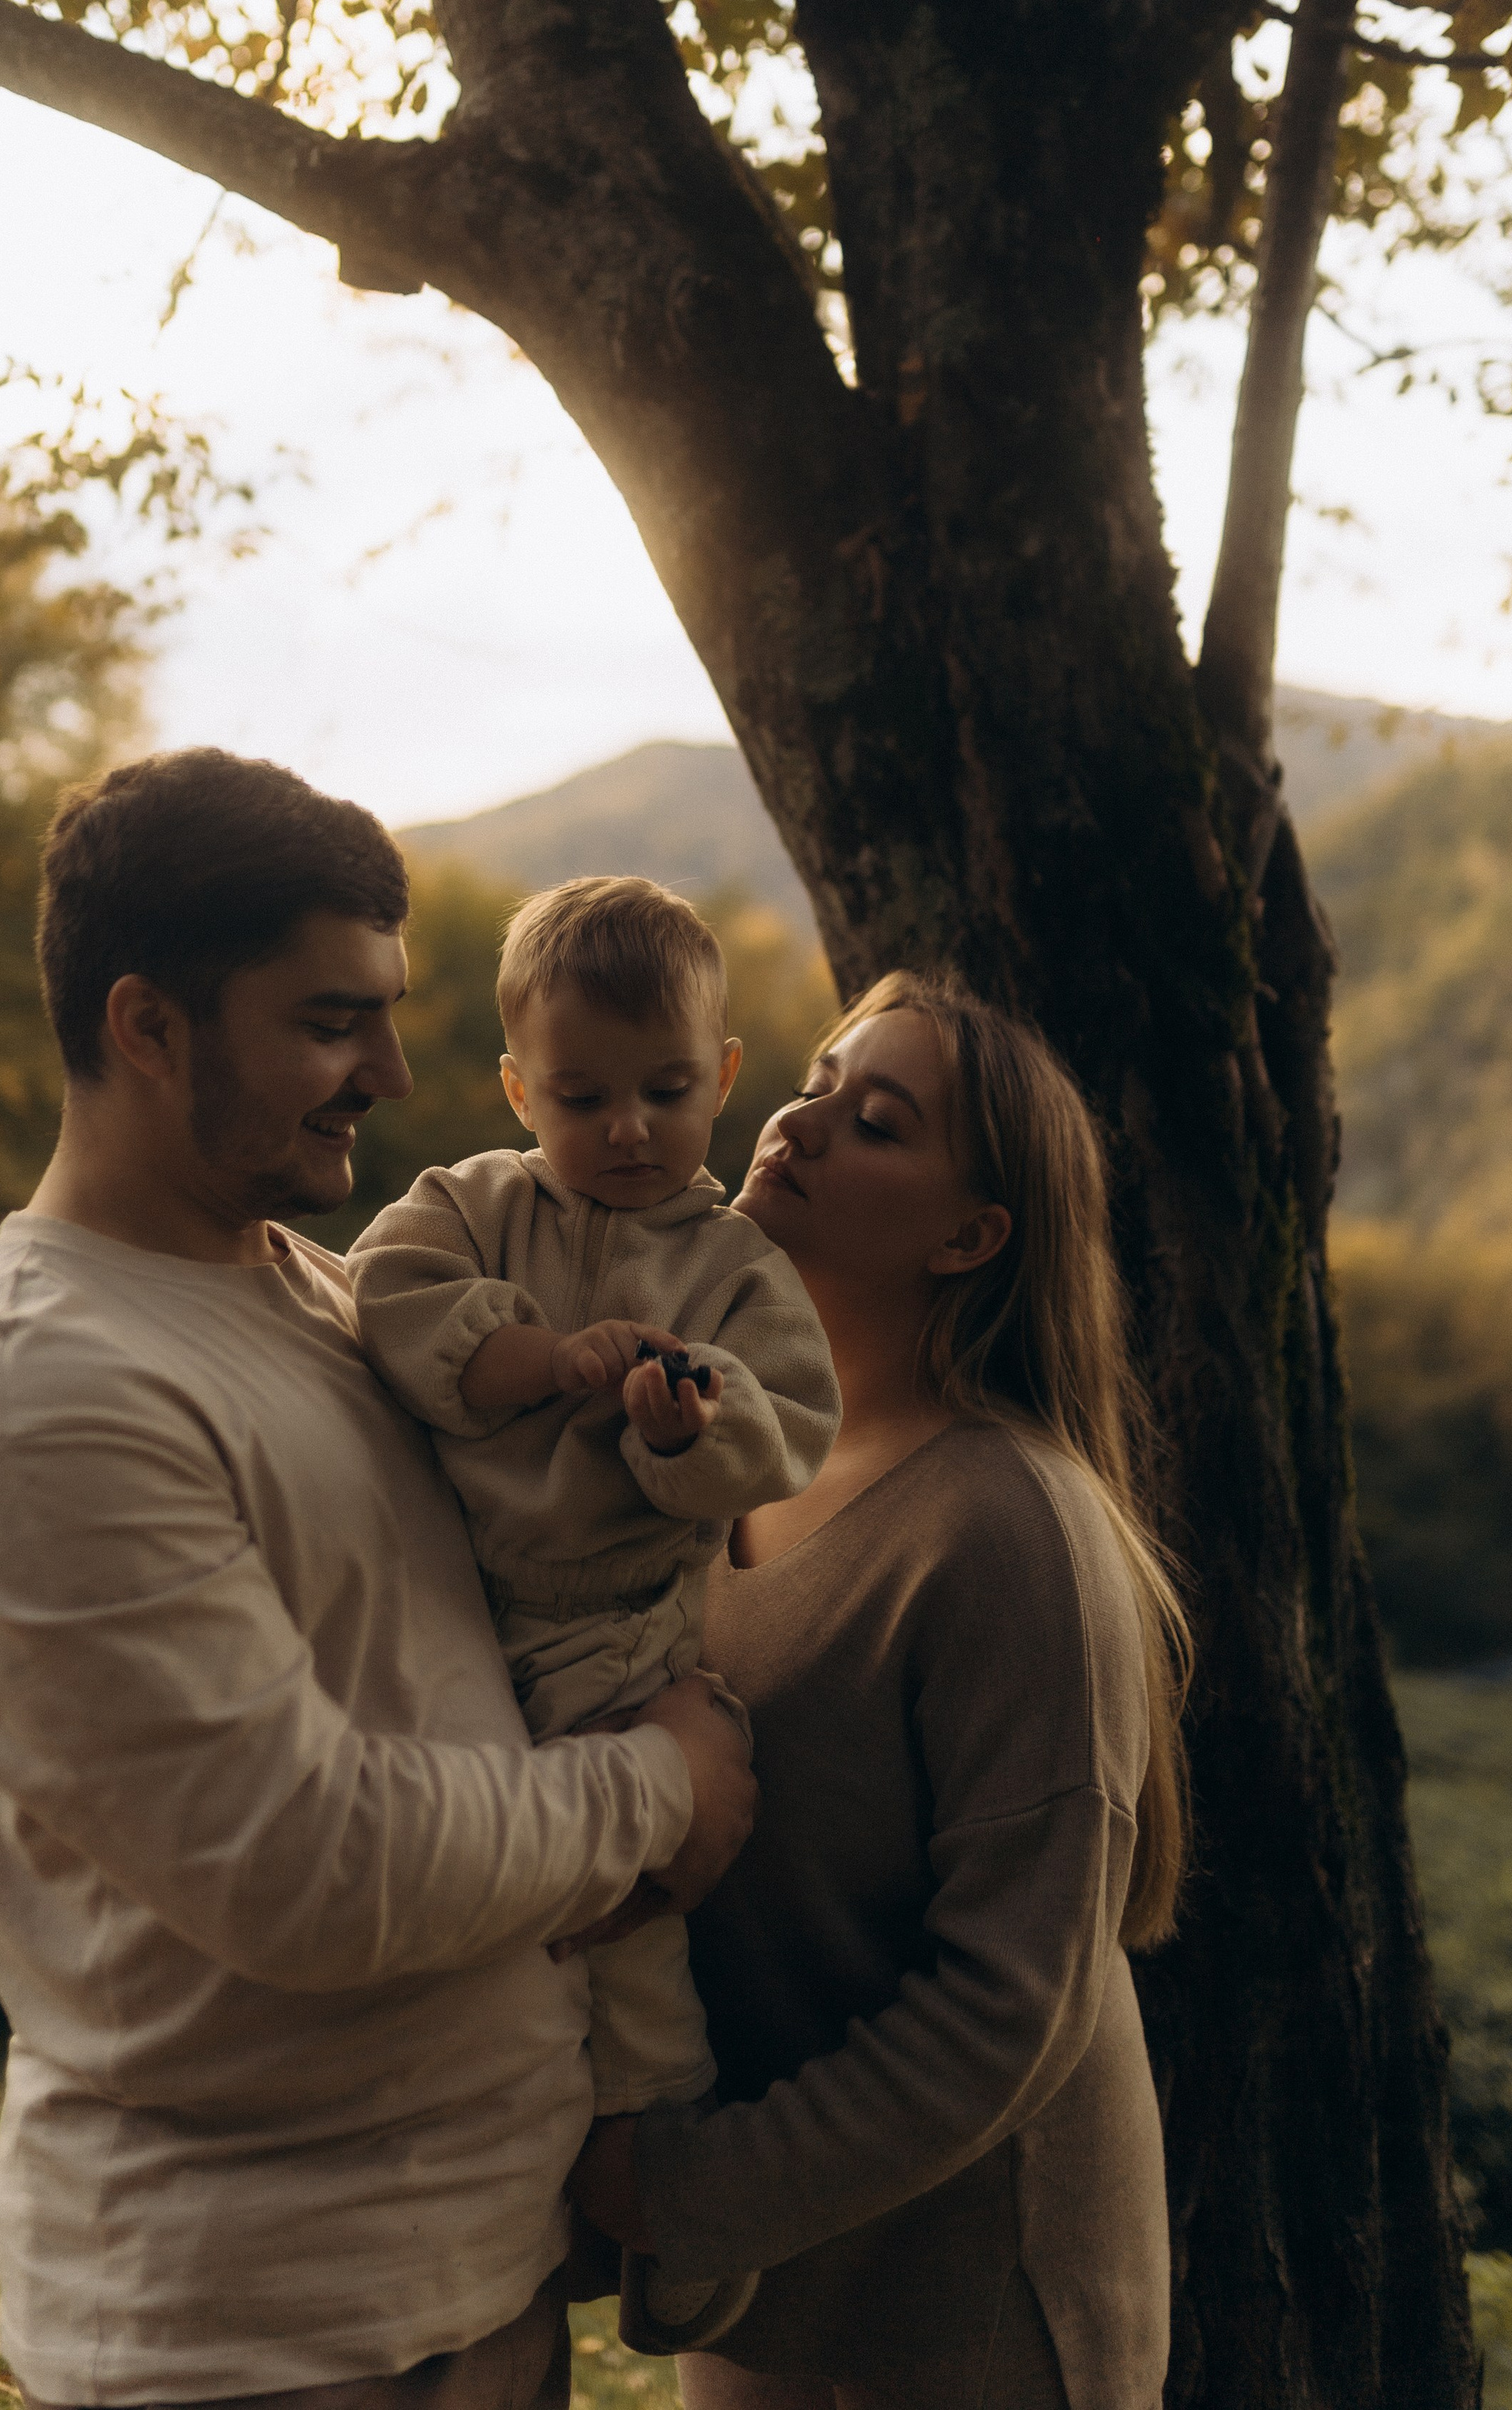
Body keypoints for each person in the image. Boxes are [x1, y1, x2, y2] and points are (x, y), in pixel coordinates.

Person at [0, 751, 757, 2410]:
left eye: (391, 1014)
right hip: (252, 2336)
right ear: (146, 1026)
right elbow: (306, 1865)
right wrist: (657, 1790)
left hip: (466, 2282)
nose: (392, 1072)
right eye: (331, 1021)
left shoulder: (325, 1293)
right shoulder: (43, 1404)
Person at [569, 969, 1190, 2410]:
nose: (795, 1124)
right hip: (769, 2291)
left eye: (878, 1121)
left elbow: (1008, 2010)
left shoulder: (1009, 1530)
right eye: (818, 1080)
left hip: (973, 2320)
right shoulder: (723, 1465)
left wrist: (686, 2187)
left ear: (973, 1236)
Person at [347, 878, 840, 2355]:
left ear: (726, 1079)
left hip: (622, 1634)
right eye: (583, 1096)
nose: (628, 1127)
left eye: (667, 1091)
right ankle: (484, 2183)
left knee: (626, 1940)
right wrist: (537, 1356)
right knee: (460, 1912)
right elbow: (390, 1293)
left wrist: (684, 1427)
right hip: (453, 1612)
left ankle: (661, 2177)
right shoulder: (477, 1204)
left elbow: (787, 1431)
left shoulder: (738, 1268)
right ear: (517, 1087)